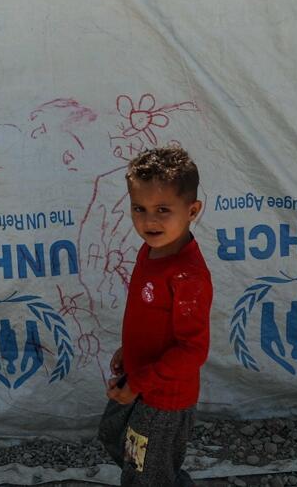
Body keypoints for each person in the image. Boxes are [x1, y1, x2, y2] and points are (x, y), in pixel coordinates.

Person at [97, 146, 212, 486]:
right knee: (113, 435)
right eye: (139, 209)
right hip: (141, 379)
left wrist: (139, 382)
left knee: (144, 471)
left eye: (163, 209)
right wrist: (128, 350)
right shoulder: (152, 250)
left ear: (192, 210)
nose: (149, 221)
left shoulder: (187, 276)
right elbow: (149, 318)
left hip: (164, 398)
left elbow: (192, 350)